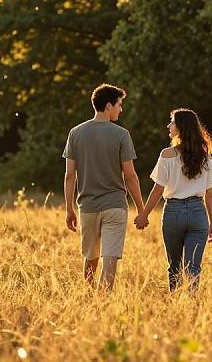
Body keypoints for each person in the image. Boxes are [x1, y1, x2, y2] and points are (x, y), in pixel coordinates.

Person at [63, 83, 146, 291]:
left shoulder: (75, 133)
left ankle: (88, 298)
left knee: (91, 258)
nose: (121, 109)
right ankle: (103, 301)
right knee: (110, 259)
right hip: (115, 206)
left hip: (87, 207)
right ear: (108, 105)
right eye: (119, 104)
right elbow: (131, 176)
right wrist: (141, 209)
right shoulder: (121, 134)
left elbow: (69, 175)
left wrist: (69, 209)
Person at [134, 108, 212, 293]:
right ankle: (191, 304)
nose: (169, 126)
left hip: (173, 213)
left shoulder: (167, 155)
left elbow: (158, 189)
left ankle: (175, 305)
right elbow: (209, 194)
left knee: (174, 267)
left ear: (180, 127)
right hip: (198, 213)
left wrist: (144, 215)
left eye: (172, 122)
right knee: (193, 268)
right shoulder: (204, 156)